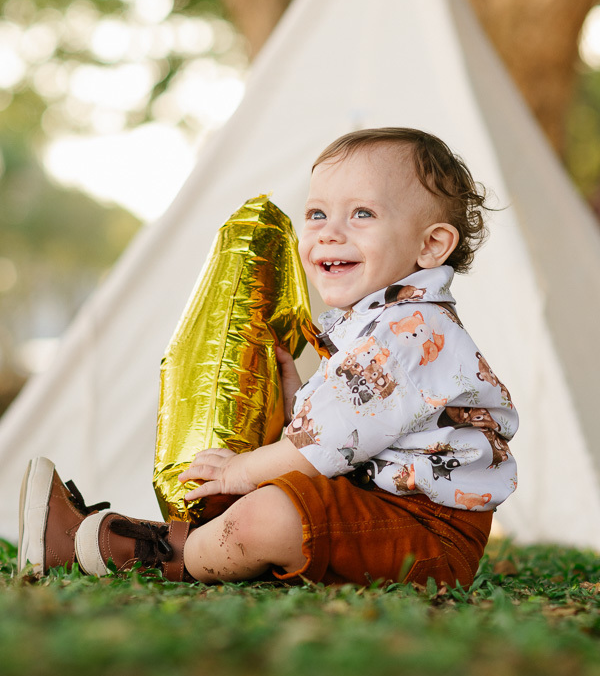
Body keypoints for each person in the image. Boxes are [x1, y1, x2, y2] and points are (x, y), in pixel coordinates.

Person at [18, 128, 518, 588]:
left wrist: (245, 469)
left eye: (362, 214)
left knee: (268, 511)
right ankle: (96, 537)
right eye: (318, 213)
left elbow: (334, 435)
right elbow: (367, 426)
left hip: (425, 535)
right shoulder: (375, 322)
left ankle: (139, 553)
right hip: (374, 506)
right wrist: (300, 398)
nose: (328, 232)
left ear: (432, 245)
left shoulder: (413, 328)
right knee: (247, 498)